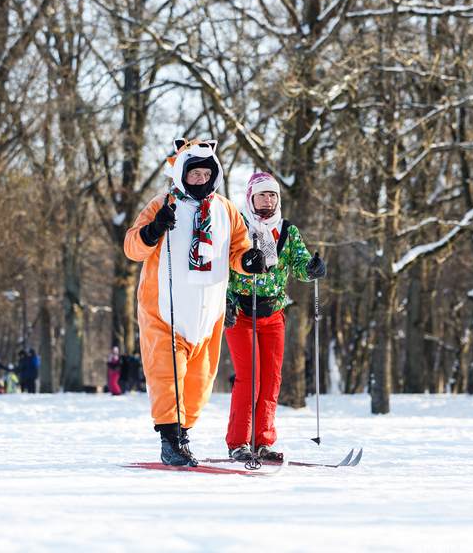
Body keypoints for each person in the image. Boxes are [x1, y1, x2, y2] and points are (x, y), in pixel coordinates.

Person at [124, 137, 261, 467]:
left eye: (206, 174)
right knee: (167, 378)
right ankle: (170, 440)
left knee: (199, 386)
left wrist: (249, 261)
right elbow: (132, 247)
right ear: (182, 174)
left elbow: (239, 250)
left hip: (208, 314)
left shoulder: (226, 210)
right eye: (194, 174)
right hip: (165, 311)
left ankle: (183, 435)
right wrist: (153, 230)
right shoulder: (162, 204)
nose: (201, 180)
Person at [223, 172, 327, 461]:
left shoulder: (287, 231)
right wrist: (225, 301)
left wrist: (312, 269)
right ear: (250, 198)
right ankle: (238, 443)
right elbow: (222, 267)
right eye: (262, 195)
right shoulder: (238, 227)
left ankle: (262, 442)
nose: (267, 200)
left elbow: (300, 263)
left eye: (272, 195)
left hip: (273, 314)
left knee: (270, 380)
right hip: (241, 313)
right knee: (250, 379)